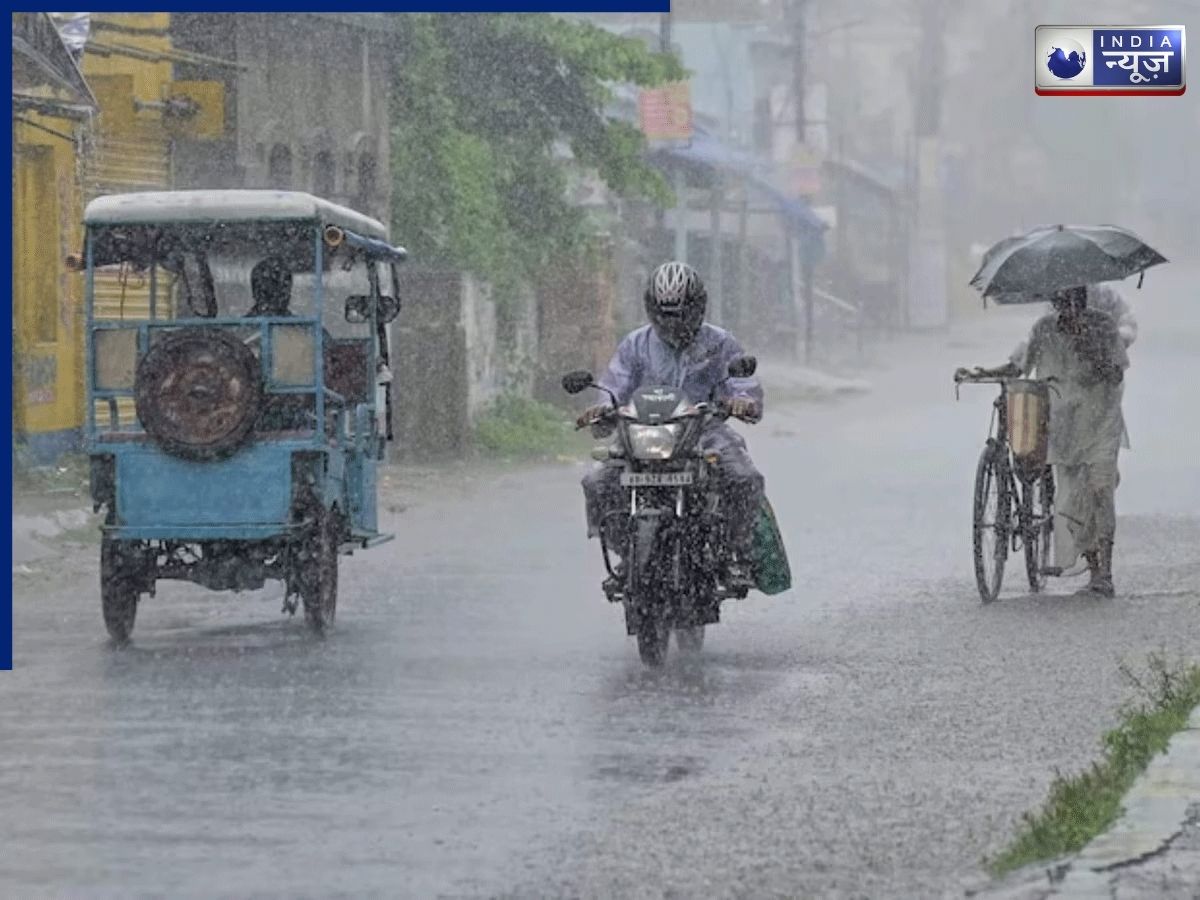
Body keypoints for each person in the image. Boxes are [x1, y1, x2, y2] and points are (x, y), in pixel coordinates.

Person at [579, 261, 765, 586]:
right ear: (651, 309)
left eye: (681, 313)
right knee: (598, 484)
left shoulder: (720, 343)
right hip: (644, 434)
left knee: (745, 478)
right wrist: (600, 411)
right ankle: (628, 555)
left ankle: (736, 554)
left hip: (706, 432)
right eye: (665, 313)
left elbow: (744, 386)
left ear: (698, 307)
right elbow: (614, 386)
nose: (673, 321)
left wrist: (742, 402)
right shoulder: (635, 345)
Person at [962, 284, 1129, 596]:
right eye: (1062, 302)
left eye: (1074, 300)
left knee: (1100, 489)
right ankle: (1093, 563)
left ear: (1083, 299)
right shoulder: (1043, 329)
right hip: (1065, 425)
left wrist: (1088, 345)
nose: (1068, 308)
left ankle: (1104, 571)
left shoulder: (1103, 326)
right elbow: (1020, 365)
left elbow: (1116, 373)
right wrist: (984, 372)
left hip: (1101, 419)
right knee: (1070, 501)